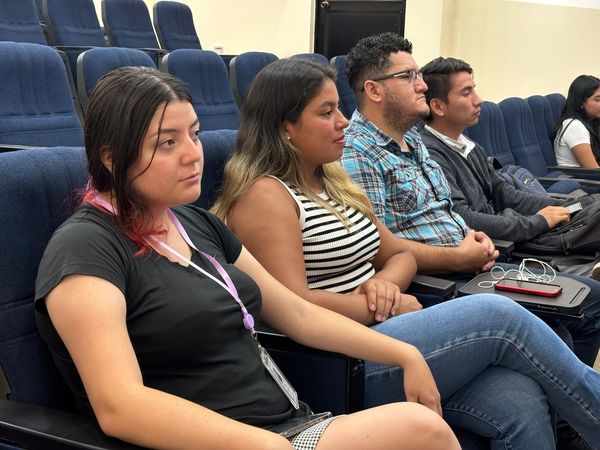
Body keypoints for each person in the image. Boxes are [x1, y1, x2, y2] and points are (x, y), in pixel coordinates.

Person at [33, 67, 462, 450]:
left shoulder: (194, 223)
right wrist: (264, 446)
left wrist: (404, 354)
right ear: (111, 159)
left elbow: (298, 313)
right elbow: (120, 406)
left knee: (436, 421)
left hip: (286, 427)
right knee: (422, 430)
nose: (193, 154)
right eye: (166, 143)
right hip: (231, 443)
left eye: (194, 134)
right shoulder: (85, 248)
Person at [212, 57, 600, 449]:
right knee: (500, 317)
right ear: (285, 126)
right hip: (338, 359)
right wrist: (379, 306)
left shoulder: (332, 180)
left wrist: (383, 284)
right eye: (326, 112)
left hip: (385, 331)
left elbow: (400, 255)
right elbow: (294, 307)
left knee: (518, 399)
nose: (343, 121)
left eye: (339, 109)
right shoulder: (265, 195)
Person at [418, 56, 569, 245]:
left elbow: (503, 193)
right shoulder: (430, 154)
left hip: (510, 230)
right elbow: (462, 217)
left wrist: (565, 206)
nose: (478, 100)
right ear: (438, 107)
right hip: (496, 245)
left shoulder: (470, 146)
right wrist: (538, 222)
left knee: (588, 212)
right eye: (466, 93)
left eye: (474, 90)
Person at [553, 75, 600, 169]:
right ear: (581, 102)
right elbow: (593, 170)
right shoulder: (575, 127)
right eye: (597, 100)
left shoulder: (591, 122)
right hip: (579, 177)